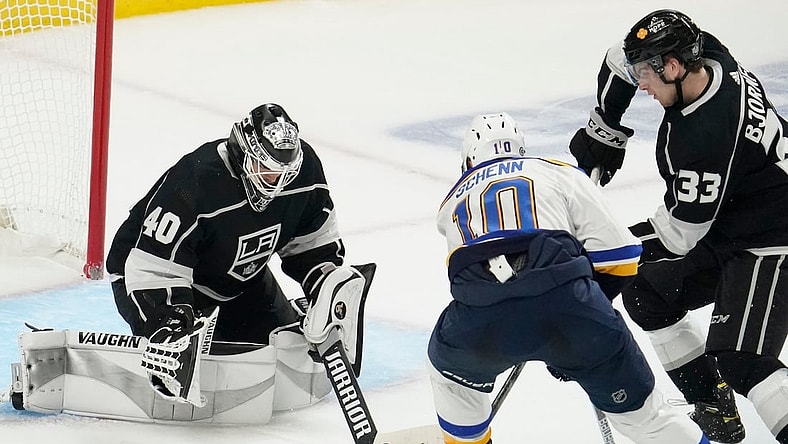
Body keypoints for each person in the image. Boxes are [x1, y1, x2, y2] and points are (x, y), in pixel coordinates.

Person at [568, 9, 788, 443]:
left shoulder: (703, 138)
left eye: (647, 74)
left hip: (772, 237)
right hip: (734, 218)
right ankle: (713, 404)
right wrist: (607, 126)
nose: (641, 83)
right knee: (646, 291)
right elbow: (618, 61)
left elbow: (678, 235)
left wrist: (599, 252)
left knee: (742, 358)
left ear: (672, 67)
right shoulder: (706, 53)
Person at [427, 112, 709, 444]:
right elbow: (622, 255)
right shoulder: (557, 172)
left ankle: (467, 438)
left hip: (479, 326)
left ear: (469, 160)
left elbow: (469, 273)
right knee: (648, 420)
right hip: (573, 310)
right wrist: (581, 314)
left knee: (450, 378)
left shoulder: (451, 202)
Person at [106, 103, 375, 406]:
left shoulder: (305, 172)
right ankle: (170, 334)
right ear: (243, 152)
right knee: (179, 350)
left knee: (283, 348)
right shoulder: (194, 181)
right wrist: (170, 320)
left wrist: (323, 286)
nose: (276, 182)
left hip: (239, 281)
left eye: (285, 173)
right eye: (267, 168)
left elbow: (312, 242)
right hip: (147, 276)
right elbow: (152, 268)